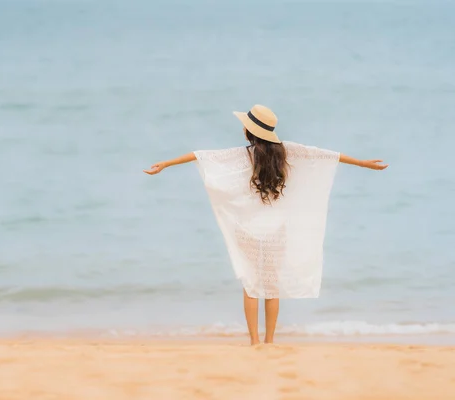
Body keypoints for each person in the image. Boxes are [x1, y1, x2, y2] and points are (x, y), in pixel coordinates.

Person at [143, 104, 388, 345]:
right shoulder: (286, 152)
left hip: (247, 228)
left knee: (251, 283)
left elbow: (201, 155)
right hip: (276, 230)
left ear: (249, 132)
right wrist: (362, 163)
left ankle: (254, 341)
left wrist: (165, 163)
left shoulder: (244, 154)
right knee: (271, 285)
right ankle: (270, 341)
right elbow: (324, 155)